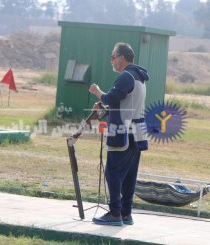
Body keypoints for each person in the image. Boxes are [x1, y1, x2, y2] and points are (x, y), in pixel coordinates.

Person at [89, 42, 149, 226]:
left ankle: (115, 213)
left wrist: (97, 92)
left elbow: (110, 98)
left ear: (121, 58)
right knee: (129, 176)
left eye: (113, 57)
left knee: (113, 173)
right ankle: (126, 213)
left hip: (123, 132)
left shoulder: (126, 76)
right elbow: (121, 102)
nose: (112, 61)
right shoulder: (138, 76)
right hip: (137, 133)